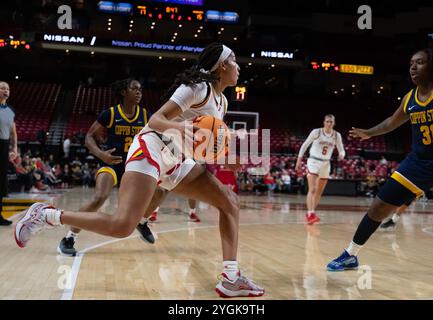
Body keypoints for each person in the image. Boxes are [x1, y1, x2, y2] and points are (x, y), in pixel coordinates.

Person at [15, 43, 264, 297]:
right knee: (123, 225)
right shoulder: (198, 88)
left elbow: (203, 143)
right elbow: (156, 120)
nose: (239, 67)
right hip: (152, 148)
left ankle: (230, 278)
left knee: (229, 201)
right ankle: (47, 215)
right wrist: (183, 129)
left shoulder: (221, 101)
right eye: (234, 61)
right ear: (222, 65)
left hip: (177, 161)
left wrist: (225, 156)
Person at [327, 48, 433, 271]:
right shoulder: (409, 99)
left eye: (420, 62)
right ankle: (350, 255)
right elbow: (390, 123)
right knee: (378, 206)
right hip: (418, 164)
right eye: (411, 63)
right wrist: (370, 132)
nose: (413, 67)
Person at [57, 78, 155, 256]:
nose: (139, 92)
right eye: (135, 89)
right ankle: (69, 237)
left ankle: (142, 221)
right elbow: (89, 137)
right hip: (111, 163)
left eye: (141, 89)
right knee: (100, 198)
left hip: (134, 167)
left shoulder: (146, 115)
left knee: (160, 189)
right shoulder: (110, 113)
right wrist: (101, 154)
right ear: (124, 92)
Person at [295, 115, 346, 224]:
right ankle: (310, 213)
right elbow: (305, 145)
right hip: (313, 161)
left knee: (319, 191)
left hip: (326, 163)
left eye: (331, 122)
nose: (329, 123)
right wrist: (299, 160)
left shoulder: (337, 135)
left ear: (334, 123)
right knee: (312, 189)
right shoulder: (316, 132)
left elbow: (341, 149)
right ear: (324, 122)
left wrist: (342, 155)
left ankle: (311, 212)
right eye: (327, 121)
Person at [0, 81, 17, 225]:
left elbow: (13, 131)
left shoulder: (10, 110)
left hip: (4, 146)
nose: (6, 90)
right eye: (2, 88)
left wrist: (14, 148)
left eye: (7, 88)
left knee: (1, 182)